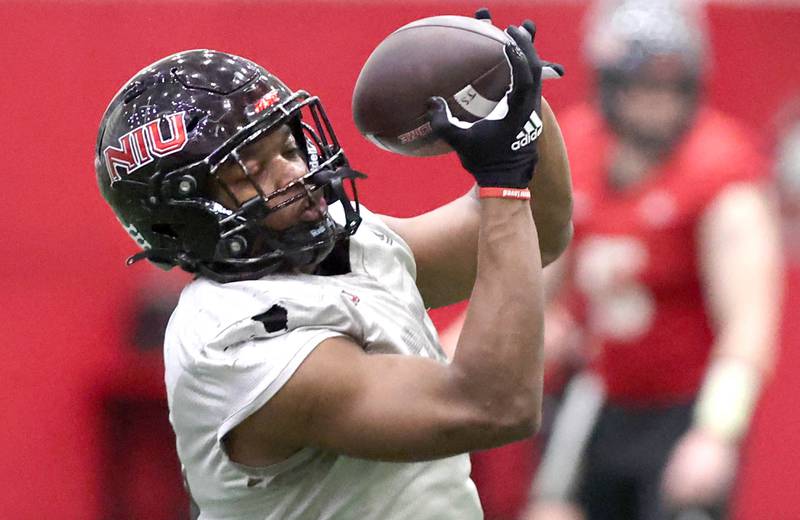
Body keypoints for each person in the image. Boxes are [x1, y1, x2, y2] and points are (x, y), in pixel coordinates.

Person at [94, 11, 573, 520]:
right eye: (253, 170)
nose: (297, 172)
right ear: (183, 219)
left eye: (287, 147)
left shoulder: (346, 246)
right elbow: (492, 407)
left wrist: (514, 99)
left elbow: (537, 229)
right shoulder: (232, 343)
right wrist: (503, 179)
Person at [515, 1, 784, 519]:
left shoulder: (722, 170)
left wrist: (716, 432)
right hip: (592, 398)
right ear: (609, 84)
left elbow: (749, 326)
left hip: (682, 408)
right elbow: (530, 292)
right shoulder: (574, 148)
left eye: (672, 86)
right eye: (642, 86)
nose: (658, 104)